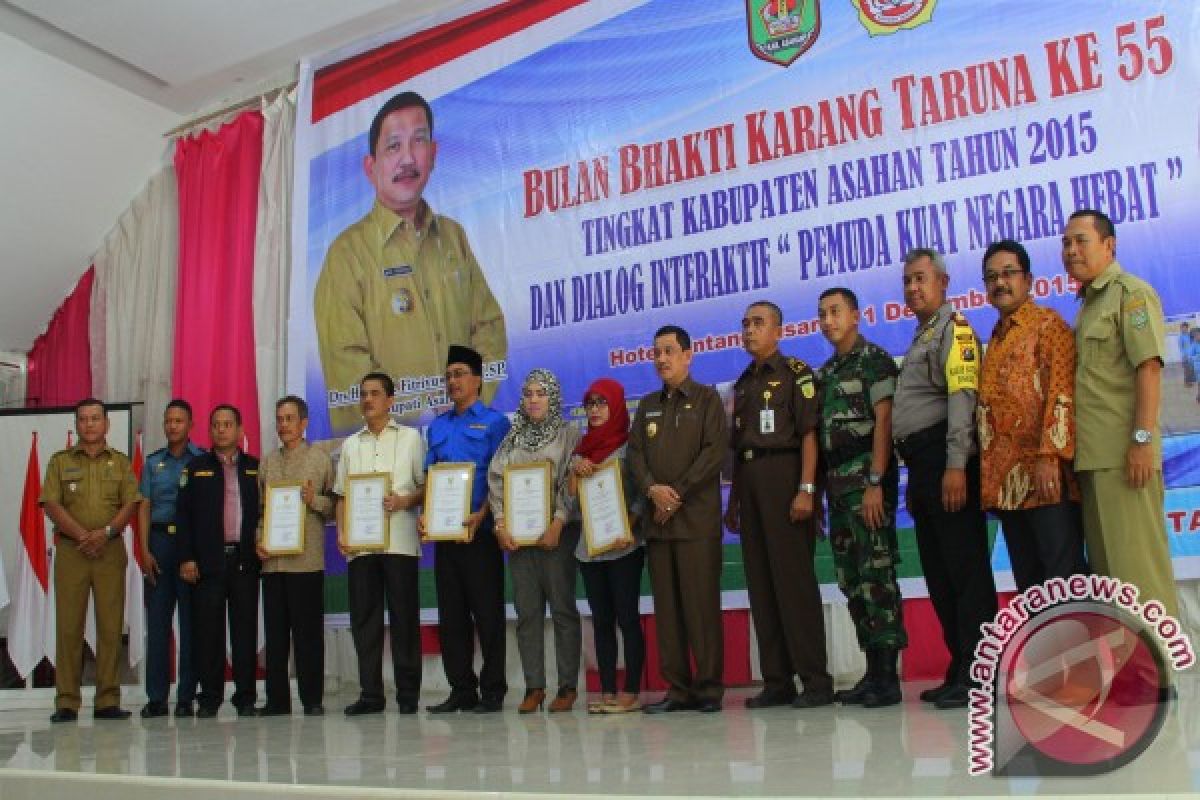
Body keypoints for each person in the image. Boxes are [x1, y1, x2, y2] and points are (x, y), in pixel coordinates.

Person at [313, 90, 507, 432]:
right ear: (370, 167)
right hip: (390, 452)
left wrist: (469, 408)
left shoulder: (452, 236)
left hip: (463, 437)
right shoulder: (346, 254)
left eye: (418, 142)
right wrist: (405, 429)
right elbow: (348, 366)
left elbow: (488, 328)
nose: (407, 159)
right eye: (393, 146)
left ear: (432, 154)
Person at [892, 248, 997, 710]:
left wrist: (957, 465)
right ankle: (960, 668)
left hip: (947, 461)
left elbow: (962, 397)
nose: (913, 288)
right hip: (922, 465)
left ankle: (981, 674)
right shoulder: (922, 335)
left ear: (943, 282)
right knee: (939, 573)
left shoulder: (955, 331)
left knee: (965, 571)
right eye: (908, 281)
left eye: (921, 279)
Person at [1066, 209, 1179, 617]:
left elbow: (1148, 367)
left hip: (1125, 459)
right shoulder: (1087, 305)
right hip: (1094, 462)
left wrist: (1142, 442)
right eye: (1066, 243)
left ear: (1109, 245)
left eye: (1081, 240)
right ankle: (1135, 678)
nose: (1071, 251)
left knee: (1140, 578)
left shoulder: (1131, 294)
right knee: (1111, 585)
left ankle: (1162, 677)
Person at [724, 301, 832, 710]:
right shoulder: (743, 383)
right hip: (751, 484)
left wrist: (806, 489)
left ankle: (815, 680)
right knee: (762, 586)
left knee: (794, 586)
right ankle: (777, 680)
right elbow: (739, 448)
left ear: (778, 330)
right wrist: (734, 499)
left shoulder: (796, 375)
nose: (749, 330)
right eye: (745, 323)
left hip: (785, 479)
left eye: (758, 323)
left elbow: (808, 435)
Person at [628, 325, 727, 714]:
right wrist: (654, 490)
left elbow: (714, 453)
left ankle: (708, 689)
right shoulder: (648, 404)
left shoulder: (707, 400)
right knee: (667, 611)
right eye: (657, 352)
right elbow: (636, 454)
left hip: (696, 523)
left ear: (688, 355)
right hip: (659, 523)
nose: (662, 359)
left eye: (669, 351)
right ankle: (678, 689)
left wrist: (678, 492)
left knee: (700, 608)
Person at [815, 288, 907, 708]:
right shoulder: (827, 370)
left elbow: (884, 422)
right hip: (837, 490)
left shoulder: (874, 360)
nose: (828, 320)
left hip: (867, 486)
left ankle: (888, 678)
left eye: (835, 312)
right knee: (852, 582)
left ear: (856, 314)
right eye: (822, 314)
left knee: (878, 579)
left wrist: (875, 481)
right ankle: (872, 673)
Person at [977, 239, 1087, 590]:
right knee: (1033, 591)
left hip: (1046, 481)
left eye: (1009, 273)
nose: (1000, 283)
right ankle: (1048, 648)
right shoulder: (995, 338)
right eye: (992, 277)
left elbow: (1061, 396)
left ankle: (1082, 647)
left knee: (1064, 583)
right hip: (1009, 487)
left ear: (1029, 281)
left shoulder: (1048, 326)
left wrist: (1049, 457)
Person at [421, 345, 512, 714]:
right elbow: (431, 477)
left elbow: (501, 476)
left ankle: (493, 690)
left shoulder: (495, 423)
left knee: (487, 614)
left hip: (481, 533)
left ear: (477, 379)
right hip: (446, 536)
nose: (453, 381)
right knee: (452, 615)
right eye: (449, 375)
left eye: (460, 374)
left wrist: (482, 513)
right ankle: (461, 688)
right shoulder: (438, 426)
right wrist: (427, 515)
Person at [488, 368, 582, 713]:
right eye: (527, 394)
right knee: (527, 613)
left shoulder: (568, 434)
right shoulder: (512, 438)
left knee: (562, 610)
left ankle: (568, 686)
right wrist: (499, 524)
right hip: (519, 541)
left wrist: (558, 520)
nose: (533, 400)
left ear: (553, 396)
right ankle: (534, 686)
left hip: (557, 537)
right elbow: (496, 482)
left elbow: (571, 480)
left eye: (541, 393)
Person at [42, 398, 141, 723]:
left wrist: (107, 532)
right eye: (83, 419)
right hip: (73, 552)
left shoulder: (121, 463)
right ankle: (67, 702)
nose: (89, 424)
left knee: (111, 627)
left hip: (110, 552)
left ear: (106, 424)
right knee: (69, 628)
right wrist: (85, 535)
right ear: (76, 425)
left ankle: (107, 700)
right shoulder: (60, 462)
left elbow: (131, 504)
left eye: (95, 418)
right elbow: (52, 505)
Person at [334, 372, 426, 715]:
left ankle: (407, 695)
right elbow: (342, 496)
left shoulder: (411, 438)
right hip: (362, 548)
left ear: (390, 400)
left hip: (399, 544)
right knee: (365, 622)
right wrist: (342, 533)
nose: (367, 400)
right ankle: (371, 694)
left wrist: (404, 501)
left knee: (404, 620)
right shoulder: (350, 445)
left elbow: (425, 486)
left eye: (374, 394)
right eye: (363, 394)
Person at [177, 405, 262, 718]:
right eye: (216, 425)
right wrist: (186, 557)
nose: (221, 430)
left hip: (244, 561)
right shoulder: (196, 467)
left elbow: (265, 513)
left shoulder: (255, 468)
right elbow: (183, 517)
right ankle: (210, 697)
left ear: (239, 430)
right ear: (209, 430)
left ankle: (246, 697)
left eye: (228, 424)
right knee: (209, 633)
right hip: (208, 562)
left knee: (244, 632)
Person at [568, 378, 646, 714]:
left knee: (627, 617)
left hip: (624, 543)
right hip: (591, 547)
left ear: (615, 405)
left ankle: (631, 691)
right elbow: (570, 504)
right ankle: (608, 691)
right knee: (600, 620)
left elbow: (644, 493)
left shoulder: (630, 447)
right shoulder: (580, 452)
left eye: (602, 403)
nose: (595, 410)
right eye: (590, 404)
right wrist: (576, 474)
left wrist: (630, 521)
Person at [255, 396, 335, 716]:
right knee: (275, 635)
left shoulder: (320, 459)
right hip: (273, 562)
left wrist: (314, 499)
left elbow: (334, 506)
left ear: (304, 423)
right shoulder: (267, 462)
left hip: (307, 560)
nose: (283, 425)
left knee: (307, 635)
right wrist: (259, 539)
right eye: (279, 419)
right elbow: (262, 510)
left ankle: (312, 699)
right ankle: (276, 701)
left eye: (289, 419)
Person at [137, 399, 205, 719]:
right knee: (159, 624)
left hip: (189, 545)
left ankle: (186, 695)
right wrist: (143, 549)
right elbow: (144, 506)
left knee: (191, 625)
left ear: (190, 425)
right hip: (160, 544)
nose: (172, 426)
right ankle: (156, 697)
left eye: (179, 421)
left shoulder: (202, 460)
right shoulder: (153, 463)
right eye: (168, 421)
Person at [1180, 321, 1194, 387]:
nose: (1183, 329)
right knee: (1186, 370)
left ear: (1187, 328)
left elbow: (1193, 344)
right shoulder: (1181, 337)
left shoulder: (1190, 335)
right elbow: (1181, 347)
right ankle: (1186, 382)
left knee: (1191, 369)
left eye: (1185, 327)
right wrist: (1184, 356)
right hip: (1185, 356)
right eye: (1182, 328)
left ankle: (1190, 381)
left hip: (1191, 356)